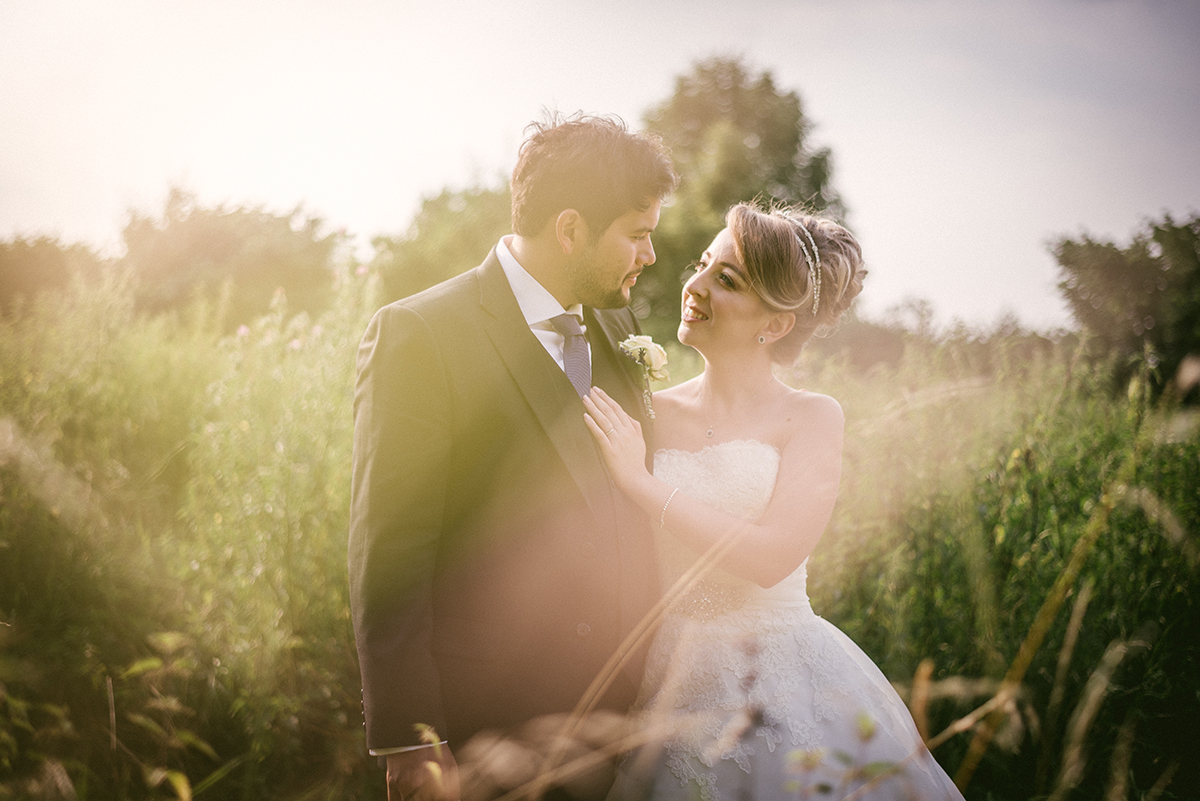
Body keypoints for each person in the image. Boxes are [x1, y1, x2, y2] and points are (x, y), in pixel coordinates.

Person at [582, 202, 965, 800]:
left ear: (777, 324)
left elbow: (772, 556)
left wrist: (644, 485)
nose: (696, 286)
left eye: (726, 280)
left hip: (780, 679)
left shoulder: (811, 417)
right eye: (703, 264)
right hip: (669, 680)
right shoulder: (650, 411)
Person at [349, 114, 678, 801]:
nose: (648, 255)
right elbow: (392, 546)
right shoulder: (421, 333)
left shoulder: (616, 321)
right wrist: (411, 735)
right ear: (569, 229)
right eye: (637, 235)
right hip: (489, 721)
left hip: (625, 721)